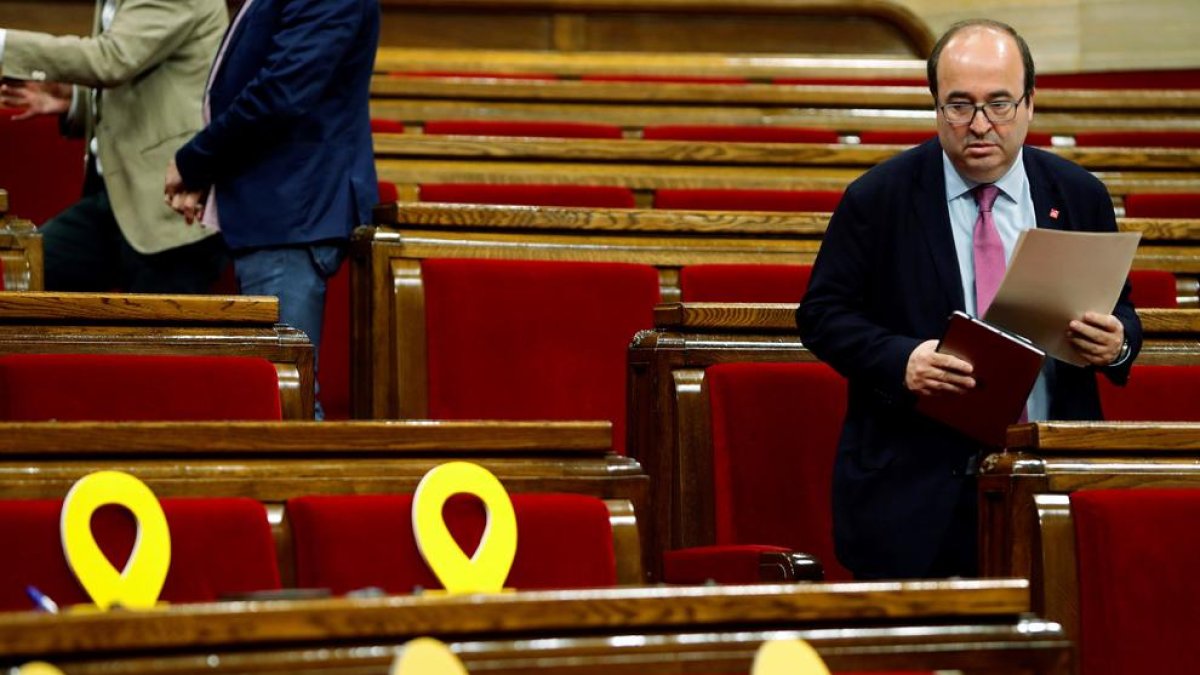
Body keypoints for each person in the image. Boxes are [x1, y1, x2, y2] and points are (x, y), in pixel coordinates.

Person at [796, 19, 1141, 580]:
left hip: (1051, 479)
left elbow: (1119, 308)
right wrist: (901, 360)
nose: (980, 126)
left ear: (1030, 104)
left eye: (999, 104)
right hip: (915, 492)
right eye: (959, 105)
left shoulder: (1078, 195)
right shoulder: (877, 199)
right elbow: (821, 315)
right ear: (935, 106)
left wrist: (1119, 342)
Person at [164, 0, 380, 419]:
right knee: (276, 391)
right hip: (281, 209)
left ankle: (301, 488)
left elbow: (281, 94)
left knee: (285, 397)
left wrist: (195, 161)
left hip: (293, 213)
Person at [0, 0, 229, 292]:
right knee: (23, 278)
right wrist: (74, 103)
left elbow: (112, 59)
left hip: (171, 210)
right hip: (115, 199)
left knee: (155, 336)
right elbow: (145, 82)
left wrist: (4, 43)